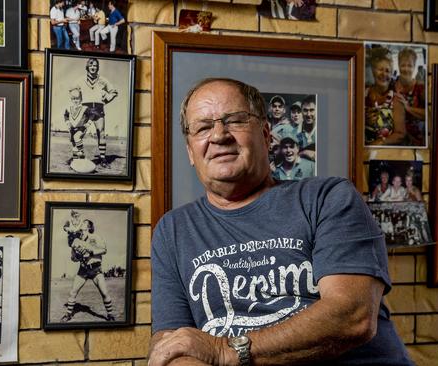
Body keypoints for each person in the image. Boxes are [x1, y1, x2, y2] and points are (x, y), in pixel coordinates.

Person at [148, 78, 411, 365]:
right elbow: (170, 346)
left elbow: (353, 316)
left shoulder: (326, 198)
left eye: (235, 121)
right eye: (203, 127)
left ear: (265, 134)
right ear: (190, 150)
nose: (219, 135)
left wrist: (226, 350)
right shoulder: (172, 231)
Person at [60, 219, 115, 322]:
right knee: (73, 292)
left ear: (89, 227)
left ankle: (110, 315)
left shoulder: (95, 237)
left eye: (85, 222)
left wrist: (91, 252)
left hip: (95, 269)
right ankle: (68, 314)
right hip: (83, 269)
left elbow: (104, 250)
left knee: (104, 293)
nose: (82, 223)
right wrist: (76, 256)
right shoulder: (76, 240)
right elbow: (73, 258)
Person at [74, 58, 118, 166]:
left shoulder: (103, 80)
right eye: (91, 65)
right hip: (85, 109)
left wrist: (106, 99)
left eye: (95, 66)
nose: (93, 67)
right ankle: (79, 157)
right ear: (87, 67)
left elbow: (114, 92)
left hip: (98, 109)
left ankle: (103, 159)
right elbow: (73, 92)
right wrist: (78, 102)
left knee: (101, 133)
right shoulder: (80, 80)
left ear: (97, 67)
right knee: (79, 133)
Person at [365, 47, 407, 145]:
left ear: (392, 74)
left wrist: (379, 142)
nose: (384, 74)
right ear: (373, 70)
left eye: (388, 71)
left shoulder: (396, 99)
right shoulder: (362, 93)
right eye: (380, 69)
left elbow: (400, 134)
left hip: (384, 153)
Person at [394, 48, 426, 146]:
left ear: (414, 67)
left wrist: (408, 108)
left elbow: (429, 114)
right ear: (398, 65)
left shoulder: (420, 87)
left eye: (410, 65)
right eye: (403, 65)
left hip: (416, 140)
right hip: (395, 138)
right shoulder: (391, 85)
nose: (406, 69)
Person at [64, 87, 90, 160]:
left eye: (77, 99)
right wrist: (68, 122)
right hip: (72, 129)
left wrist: (88, 123)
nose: (75, 100)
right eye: (74, 99)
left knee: (77, 137)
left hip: (81, 128)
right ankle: (75, 160)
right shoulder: (69, 108)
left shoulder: (85, 108)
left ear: (81, 99)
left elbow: (92, 115)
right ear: (71, 99)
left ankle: (81, 153)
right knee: (74, 145)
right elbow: (65, 115)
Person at [297, 95, 316, 161]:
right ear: (301, 111)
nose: (308, 114)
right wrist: (304, 152)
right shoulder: (293, 132)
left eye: (312, 110)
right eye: (305, 110)